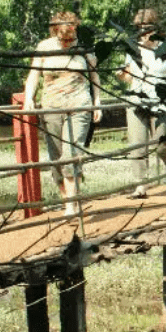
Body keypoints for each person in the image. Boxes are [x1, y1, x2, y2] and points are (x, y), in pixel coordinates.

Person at [24, 11, 101, 217]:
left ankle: (71, 206)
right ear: (55, 32)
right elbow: (33, 75)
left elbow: (94, 75)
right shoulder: (44, 47)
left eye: (70, 39)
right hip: (51, 106)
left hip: (79, 104)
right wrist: (29, 98)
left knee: (71, 154)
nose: (67, 43)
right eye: (63, 39)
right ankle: (69, 198)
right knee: (56, 158)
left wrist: (97, 101)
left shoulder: (83, 47)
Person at [117, 9, 166, 199]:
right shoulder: (133, 50)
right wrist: (122, 75)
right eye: (139, 28)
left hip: (161, 103)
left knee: (161, 145)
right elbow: (128, 76)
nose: (143, 32)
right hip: (137, 102)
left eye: (147, 28)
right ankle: (140, 187)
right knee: (137, 145)